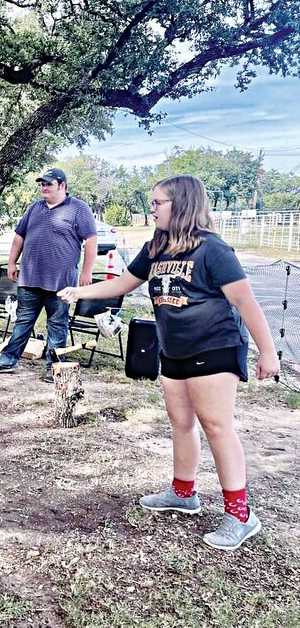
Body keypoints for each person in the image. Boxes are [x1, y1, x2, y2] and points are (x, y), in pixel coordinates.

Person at [58, 174, 280, 551]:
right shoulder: (157, 245)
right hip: (173, 350)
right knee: (181, 423)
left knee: (216, 426)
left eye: (159, 202)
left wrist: (268, 352)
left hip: (213, 347)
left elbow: (245, 301)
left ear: (182, 204)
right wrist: (81, 290)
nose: (153, 208)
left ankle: (240, 514)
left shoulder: (213, 249)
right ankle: (183, 493)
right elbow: (123, 283)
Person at [0, 167, 97, 382]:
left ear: (62, 185)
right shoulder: (34, 208)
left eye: (48, 184)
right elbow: (19, 237)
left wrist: (86, 271)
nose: (44, 187)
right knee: (23, 320)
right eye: (42, 184)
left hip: (61, 281)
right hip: (30, 278)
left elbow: (91, 240)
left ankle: (54, 367)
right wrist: (11, 263)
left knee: (57, 324)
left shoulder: (78, 209)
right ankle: (7, 361)